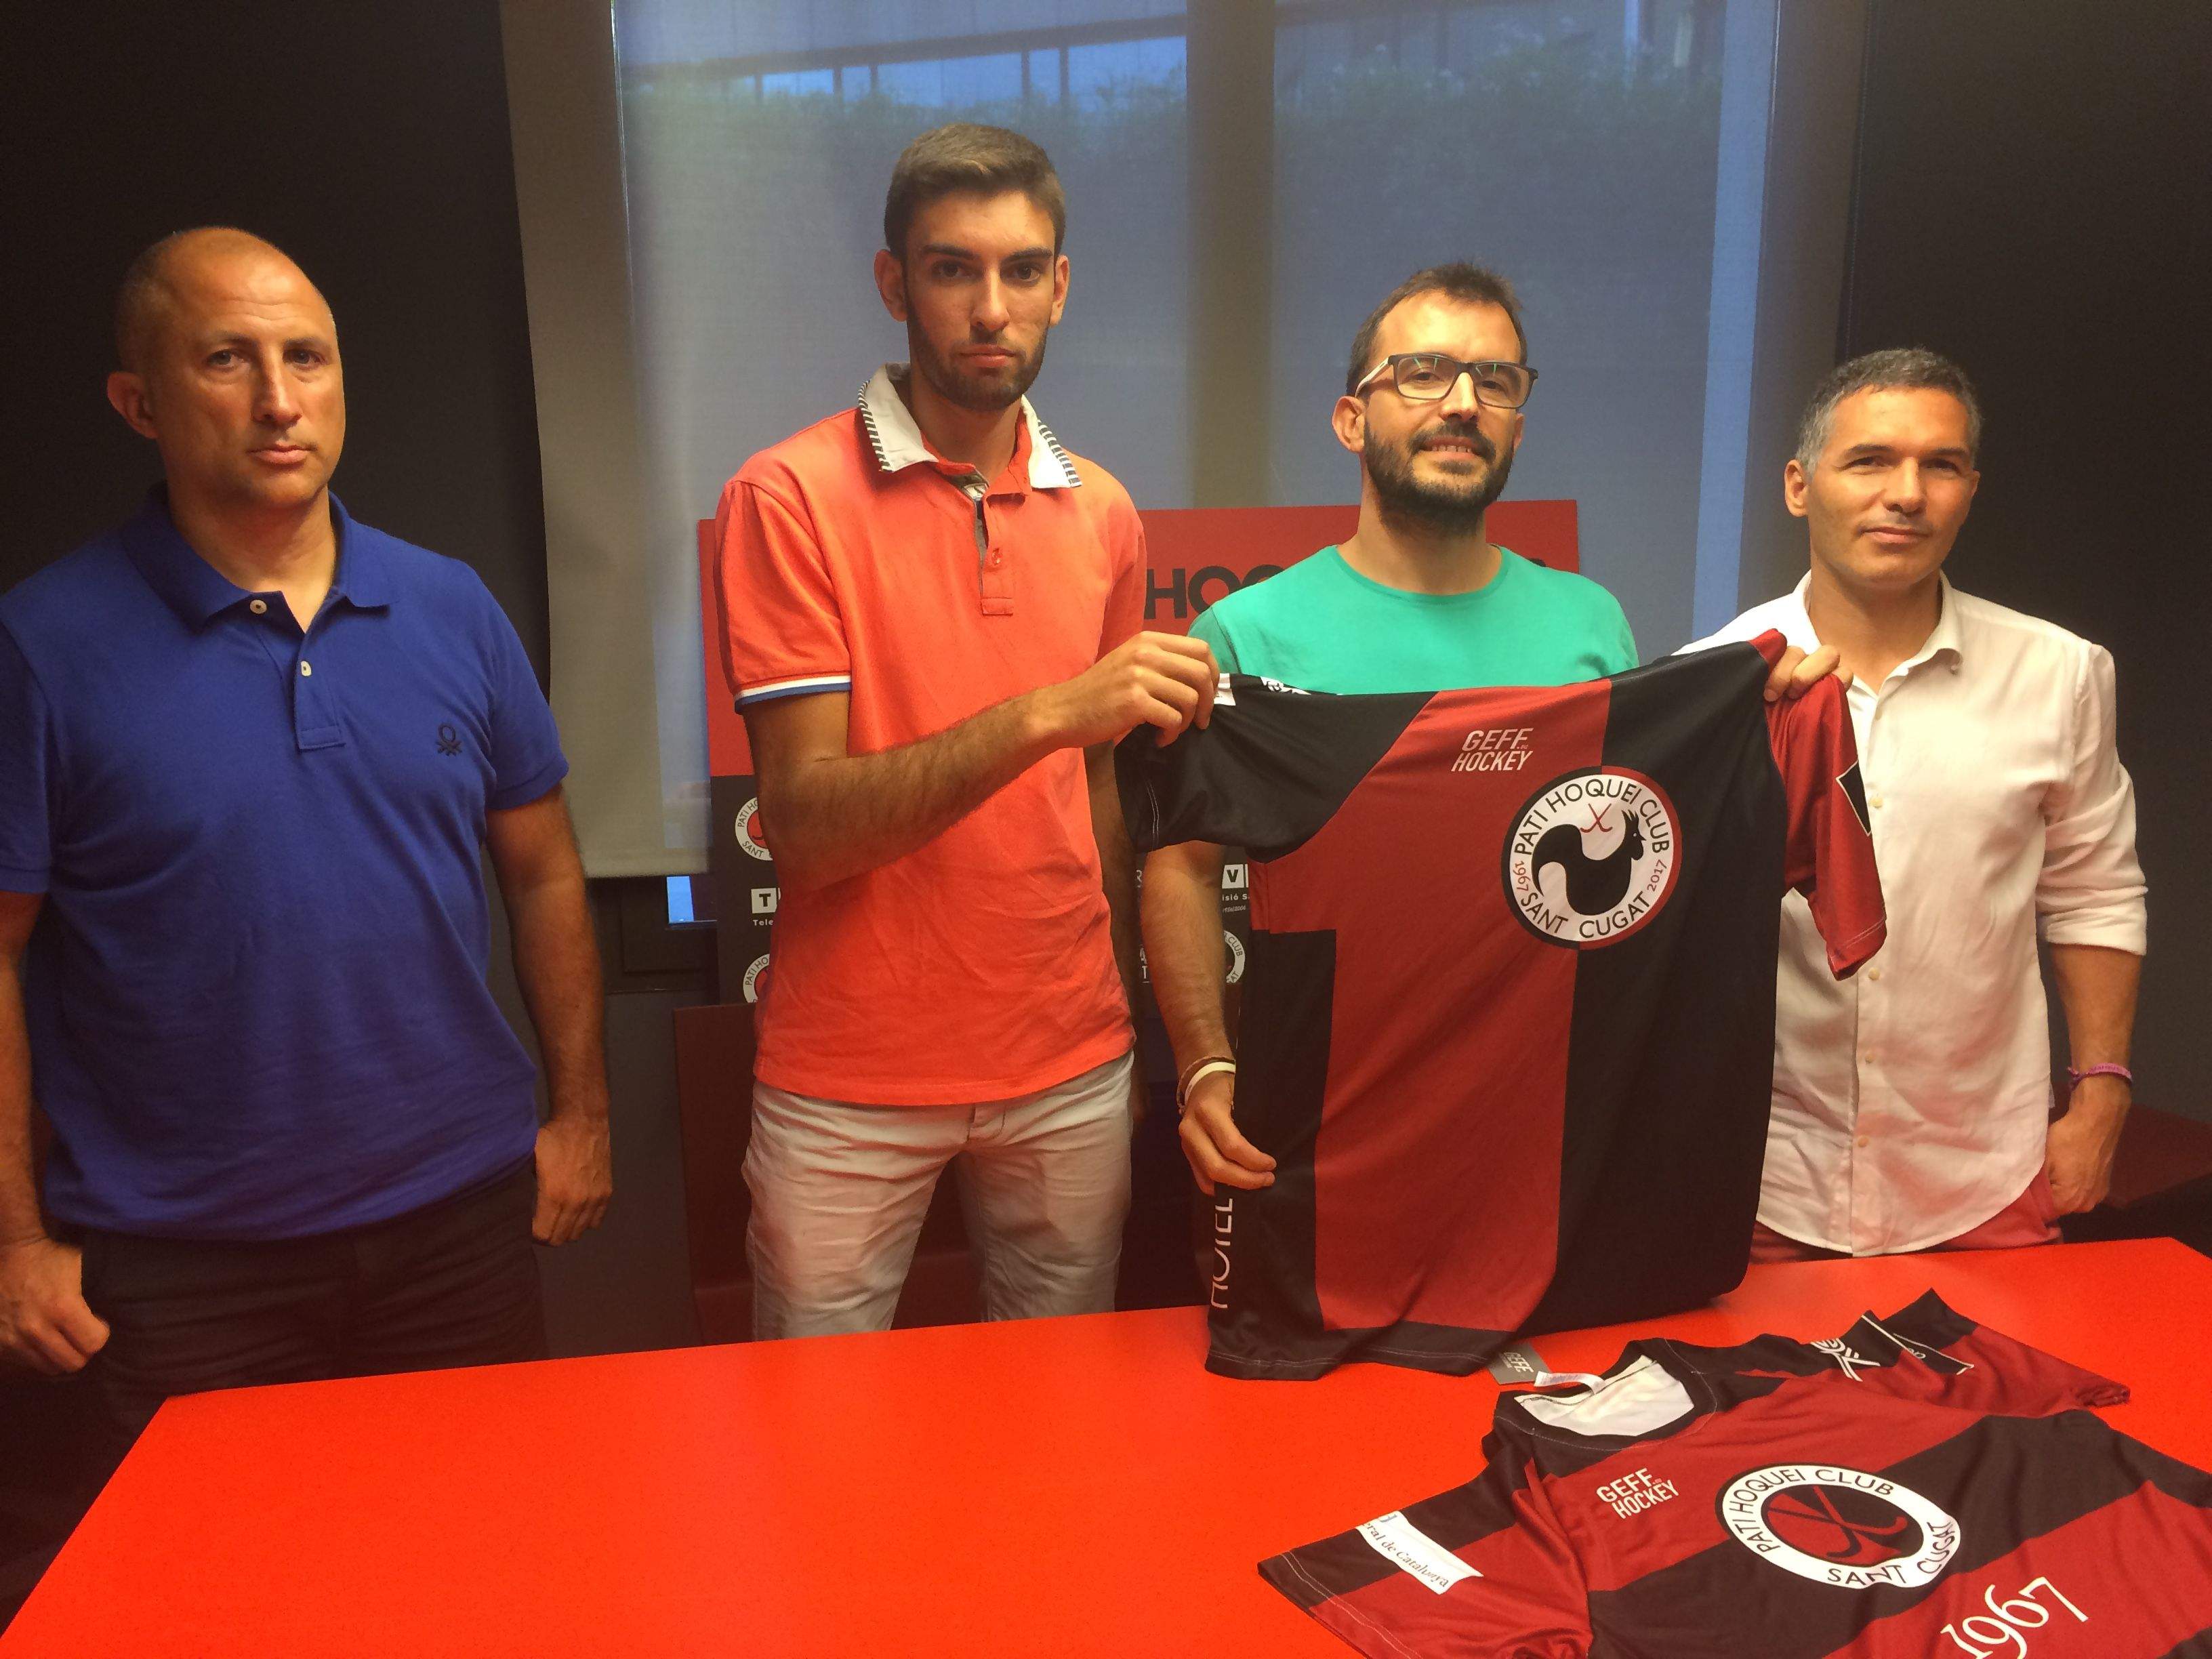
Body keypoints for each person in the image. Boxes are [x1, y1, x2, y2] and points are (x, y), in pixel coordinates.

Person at [0, 229, 610, 1437]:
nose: (281, 401)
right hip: (180, 1265)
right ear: (140, 402)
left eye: (309, 358)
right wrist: (16, 1235)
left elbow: (543, 877)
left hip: (457, 1228)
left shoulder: (450, 605)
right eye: (228, 359)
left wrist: (582, 1115)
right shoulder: (43, 645)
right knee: (213, 1612)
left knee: (477, 1577)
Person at [1144, 263, 1830, 1196]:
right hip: (1327, 1111)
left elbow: (1628, 841)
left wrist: (1753, 734)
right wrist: (1205, 1065)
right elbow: (1180, 864)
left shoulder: (1590, 623)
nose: (1463, 402)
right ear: (1352, 420)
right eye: (1423, 372)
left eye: (1496, 381)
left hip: (1543, 1112)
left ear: (1516, 422)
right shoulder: (1245, 632)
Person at [711, 124, 1217, 1338]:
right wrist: (1046, 710)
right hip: (849, 1081)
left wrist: (1121, 1017)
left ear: (1061, 285)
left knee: (1061, 1432)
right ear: (895, 285)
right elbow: (809, 829)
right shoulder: (785, 500)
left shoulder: (1102, 511)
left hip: (1069, 1064)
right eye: (952, 271)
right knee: (820, 1452)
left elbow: (1096, 795)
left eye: (1023, 271)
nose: (992, 309)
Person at [1697, 348, 2144, 1258]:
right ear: (1798, 485)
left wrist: (2101, 1095)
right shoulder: (1706, 686)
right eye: (1869, 461)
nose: (1907, 493)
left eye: (1939, 465)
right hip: (1759, 1181)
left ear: (1969, 490)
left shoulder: (2059, 674)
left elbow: (2094, 892)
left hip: (1985, 1181)